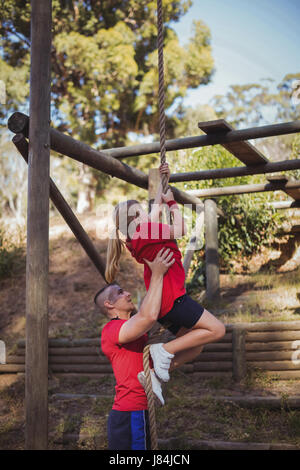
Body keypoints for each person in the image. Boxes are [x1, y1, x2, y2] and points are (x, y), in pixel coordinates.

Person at [105, 163, 226, 384]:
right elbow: (180, 230)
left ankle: (152, 375)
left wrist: (161, 193)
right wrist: (171, 203)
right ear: (137, 219)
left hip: (162, 306)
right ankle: (163, 350)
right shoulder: (147, 231)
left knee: (195, 346)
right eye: (142, 212)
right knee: (217, 330)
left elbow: (151, 218)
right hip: (174, 300)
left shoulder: (135, 240)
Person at [95, 247, 175, 450]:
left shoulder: (138, 332)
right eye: (120, 293)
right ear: (109, 304)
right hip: (129, 413)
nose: (127, 293)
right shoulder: (111, 330)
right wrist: (156, 274)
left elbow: (148, 316)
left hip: (140, 411)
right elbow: (147, 317)